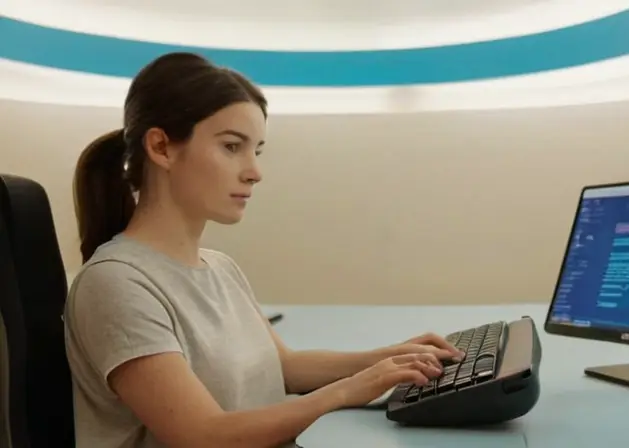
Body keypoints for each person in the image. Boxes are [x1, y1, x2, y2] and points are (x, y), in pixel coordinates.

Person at [64, 52, 463, 448]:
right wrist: (344, 392)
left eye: (256, 150)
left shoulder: (219, 267)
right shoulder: (115, 284)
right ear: (162, 147)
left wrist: (385, 360)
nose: (254, 171)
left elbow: (284, 368)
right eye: (232, 146)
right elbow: (202, 435)